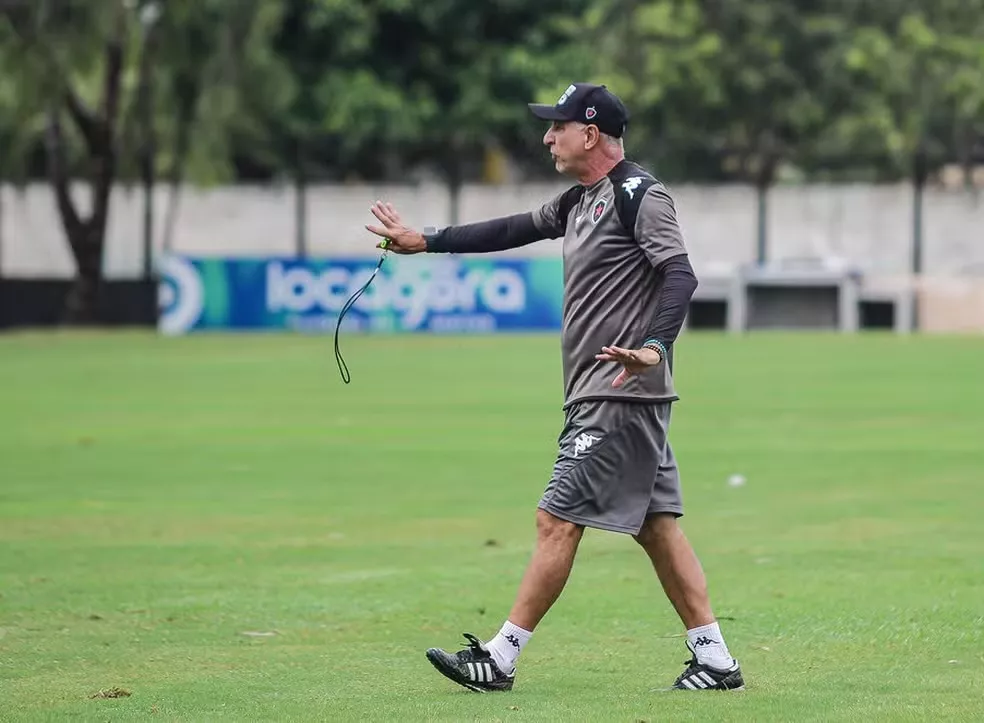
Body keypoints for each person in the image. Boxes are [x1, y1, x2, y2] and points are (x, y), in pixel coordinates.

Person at [364, 82, 744, 693]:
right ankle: (717, 661)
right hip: (614, 395)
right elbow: (511, 228)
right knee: (656, 527)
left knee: (555, 520)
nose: (547, 137)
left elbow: (681, 273)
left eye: (557, 126)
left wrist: (654, 347)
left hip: (617, 390)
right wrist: (424, 240)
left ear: (590, 133)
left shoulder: (639, 195)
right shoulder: (578, 201)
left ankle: (501, 657)